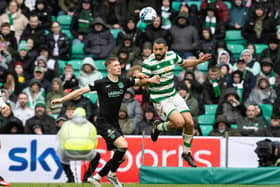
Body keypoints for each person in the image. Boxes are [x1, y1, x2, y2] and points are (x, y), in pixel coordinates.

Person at [51, 56, 160, 186]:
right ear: (108, 68)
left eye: (119, 65)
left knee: (122, 157)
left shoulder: (123, 81)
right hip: (103, 123)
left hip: (114, 124)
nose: (118, 67)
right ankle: (109, 175)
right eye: (115, 66)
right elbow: (80, 91)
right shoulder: (101, 83)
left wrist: (151, 79)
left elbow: (139, 82)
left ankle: (98, 176)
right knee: (123, 146)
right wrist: (62, 100)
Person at [141, 38, 211, 167]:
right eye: (155, 49)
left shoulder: (172, 55)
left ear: (166, 49)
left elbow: (184, 63)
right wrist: (150, 80)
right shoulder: (148, 63)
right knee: (179, 122)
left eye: (160, 49)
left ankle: (186, 153)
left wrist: (199, 61)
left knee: (190, 123)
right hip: (160, 99)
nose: (157, 52)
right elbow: (140, 81)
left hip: (173, 95)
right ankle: (158, 127)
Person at [57, 107, 100, 183]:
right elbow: (95, 142)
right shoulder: (90, 125)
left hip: (69, 153)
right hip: (86, 152)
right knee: (97, 156)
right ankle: (87, 177)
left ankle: (70, 177)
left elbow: (60, 138)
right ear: (85, 115)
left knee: (60, 153)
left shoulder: (66, 124)